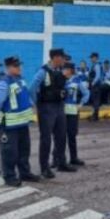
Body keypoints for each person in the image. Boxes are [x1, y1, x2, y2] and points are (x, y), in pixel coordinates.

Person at [0, 56, 40, 187]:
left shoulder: (20, 80)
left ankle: (25, 173)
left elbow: (25, 95)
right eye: (16, 66)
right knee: (9, 152)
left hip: (22, 123)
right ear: (8, 68)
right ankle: (9, 176)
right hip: (9, 124)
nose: (19, 68)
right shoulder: (4, 82)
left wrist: (31, 104)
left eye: (20, 65)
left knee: (24, 150)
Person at [31, 48, 72, 178]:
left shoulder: (59, 71)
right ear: (55, 58)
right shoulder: (43, 71)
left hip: (59, 106)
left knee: (61, 136)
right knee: (46, 139)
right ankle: (44, 168)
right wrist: (37, 104)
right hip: (46, 108)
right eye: (63, 58)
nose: (65, 60)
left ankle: (61, 163)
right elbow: (32, 88)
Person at [62, 62, 90, 165]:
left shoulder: (77, 81)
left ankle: (73, 158)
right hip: (62, 111)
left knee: (71, 135)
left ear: (69, 70)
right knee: (60, 136)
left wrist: (81, 104)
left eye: (64, 69)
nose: (63, 71)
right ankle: (58, 159)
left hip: (73, 111)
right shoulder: (61, 80)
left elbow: (86, 93)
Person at [89, 53, 103, 121]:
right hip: (95, 85)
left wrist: (93, 83)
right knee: (94, 100)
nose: (91, 59)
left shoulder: (97, 65)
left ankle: (95, 116)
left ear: (96, 58)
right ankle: (95, 115)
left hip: (96, 85)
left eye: (92, 58)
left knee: (96, 100)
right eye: (91, 58)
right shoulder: (94, 65)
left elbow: (97, 76)